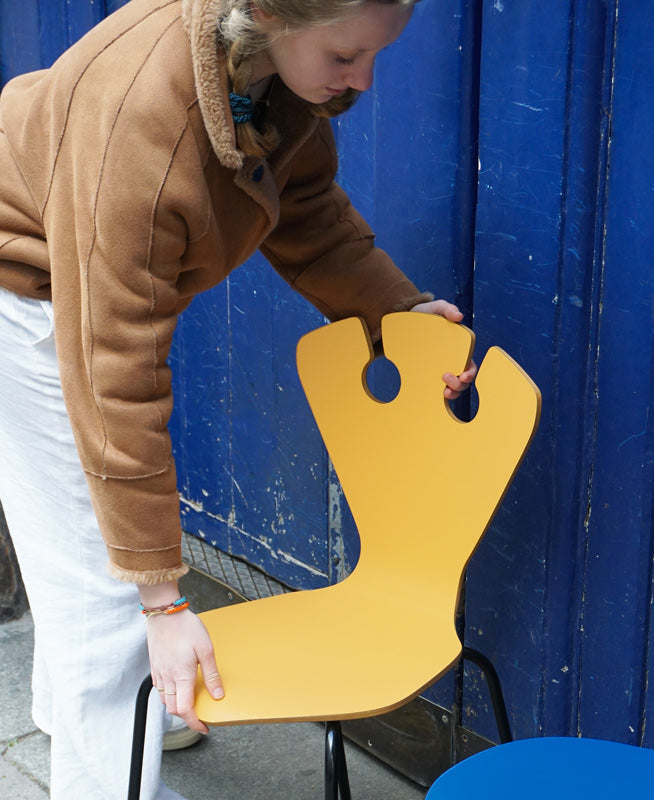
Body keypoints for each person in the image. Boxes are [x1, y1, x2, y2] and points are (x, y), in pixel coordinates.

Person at [0, 0, 476, 797]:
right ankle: (105, 769)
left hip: (80, 276)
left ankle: (96, 726)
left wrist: (394, 313)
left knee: (80, 555)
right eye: (344, 57)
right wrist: (160, 603)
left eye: (375, 56)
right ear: (274, 15)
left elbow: (306, 213)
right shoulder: (141, 132)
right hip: (28, 290)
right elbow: (113, 374)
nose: (363, 79)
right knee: (106, 588)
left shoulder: (269, 72)